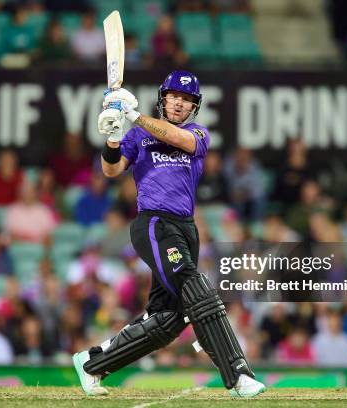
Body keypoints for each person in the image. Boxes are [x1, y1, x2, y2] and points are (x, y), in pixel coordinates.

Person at [72, 71, 265, 398]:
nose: (179, 103)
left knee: (168, 321)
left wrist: (133, 115)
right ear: (163, 98)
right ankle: (238, 374)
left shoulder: (198, 134)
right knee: (196, 287)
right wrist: (113, 138)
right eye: (174, 96)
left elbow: (179, 140)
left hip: (186, 228)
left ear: (194, 106)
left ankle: (92, 363)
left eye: (186, 99)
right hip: (153, 224)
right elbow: (111, 170)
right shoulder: (138, 136)